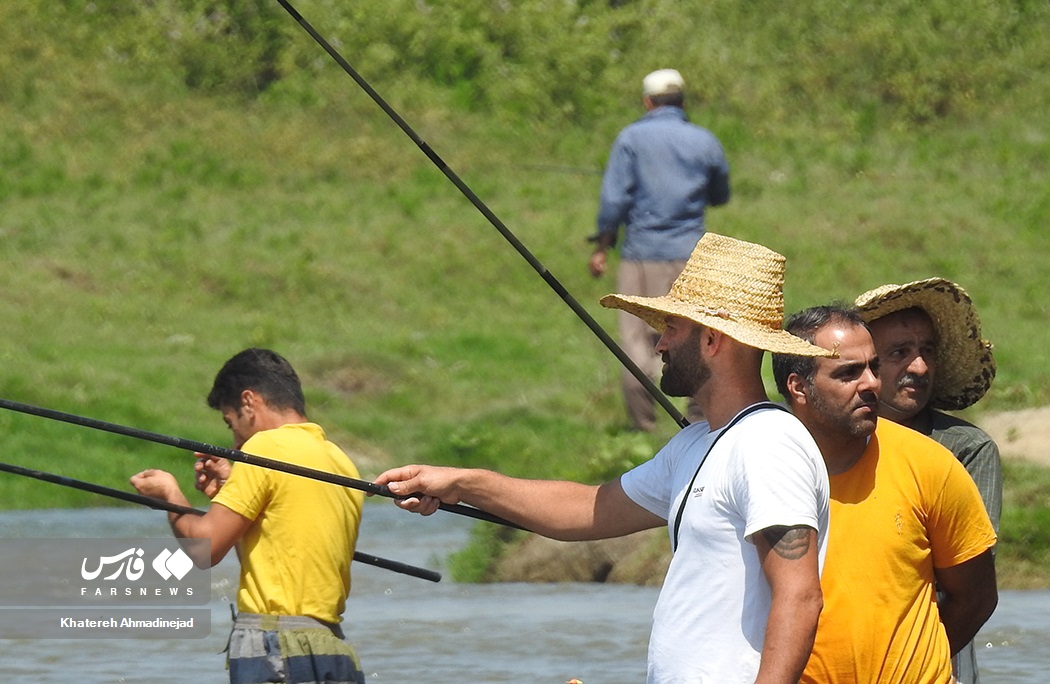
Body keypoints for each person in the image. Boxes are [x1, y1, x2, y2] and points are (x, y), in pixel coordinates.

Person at [378, 233, 833, 683]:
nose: (660, 345)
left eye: (672, 328)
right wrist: (463, 484)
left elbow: (800, 598)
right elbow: (585, 510)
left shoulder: (768, 443)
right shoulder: (695, 444)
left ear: (713, 339)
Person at [771, 306, 998, 683]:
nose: (872, 384)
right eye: (849, 372)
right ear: (798, 387)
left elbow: (976, 596)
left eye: (873, 367)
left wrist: (916, 665)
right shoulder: (759, 463)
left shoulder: (936, 462)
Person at [130, 348, 365, 684]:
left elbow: (204, 548)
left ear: (249, 403)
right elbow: (273, 550)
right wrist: (233, 493)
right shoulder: (338, 460)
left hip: (276, 646)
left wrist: (170, 495)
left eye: (231, 422)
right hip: (332, 647)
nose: (234, 439)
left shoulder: (264, 450)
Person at [855, 278, 1002, 683]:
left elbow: (969, 588)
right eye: (900, 353)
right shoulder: (824, 443)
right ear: (866, 365)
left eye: (927, 352)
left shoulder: (965, 449)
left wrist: (915, 663)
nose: (918, 367)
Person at [588, 68, 730, 432]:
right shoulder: (705, 140)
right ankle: (703, 420)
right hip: (691, 254)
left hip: (642, 253)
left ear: (647, 102)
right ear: (682, 101)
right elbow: (720, 194)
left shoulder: (631, 139)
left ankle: (642, 427)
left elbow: (614, 200)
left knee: (637, 340)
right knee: (698, 338)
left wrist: (603, 245)